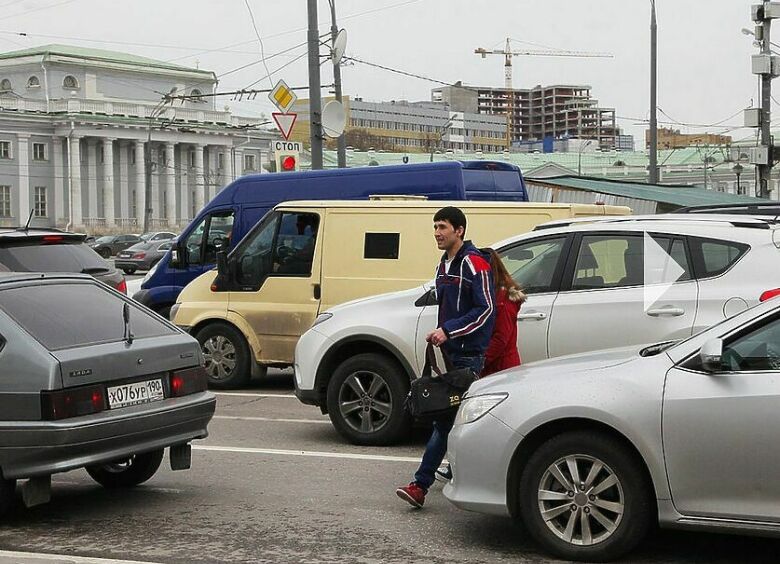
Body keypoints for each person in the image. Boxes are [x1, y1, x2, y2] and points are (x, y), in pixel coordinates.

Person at [395, 206, 495, 509]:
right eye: (435, 227)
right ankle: (459, 470)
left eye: (443, 227)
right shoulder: (444, 264)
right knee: (455, 419)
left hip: (468, 357)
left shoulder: (474, 263)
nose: (437, 233)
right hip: (451, 355)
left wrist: (448, 331)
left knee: (443, 420)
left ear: (459, 230)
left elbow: (486, 309)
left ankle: (419, 485)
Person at [482, 248, 526, 377]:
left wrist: (480, 361)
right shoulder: (490, 295)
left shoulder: (503, 299)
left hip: (501, 369)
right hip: (495, 367)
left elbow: (500, 339)